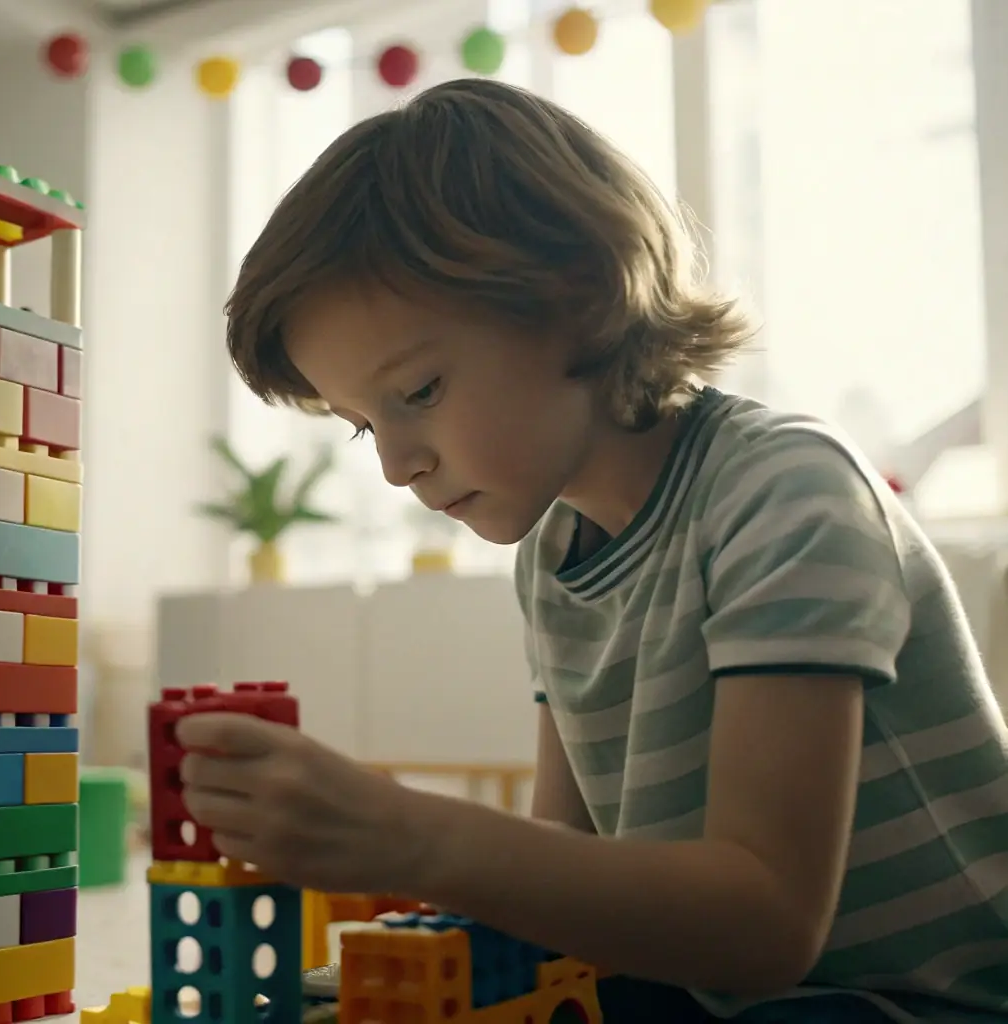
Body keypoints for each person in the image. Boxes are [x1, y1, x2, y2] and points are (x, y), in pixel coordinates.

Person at [174, 77, 1008, 1022]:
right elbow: (566, 878)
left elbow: (767, 927)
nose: (398, 466)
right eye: (365, 427)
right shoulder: (552, 556)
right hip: (706, 990)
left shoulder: (784, 491)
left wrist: (405, 834)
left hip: (905, 1001)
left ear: (575, 295)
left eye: (417, 391)